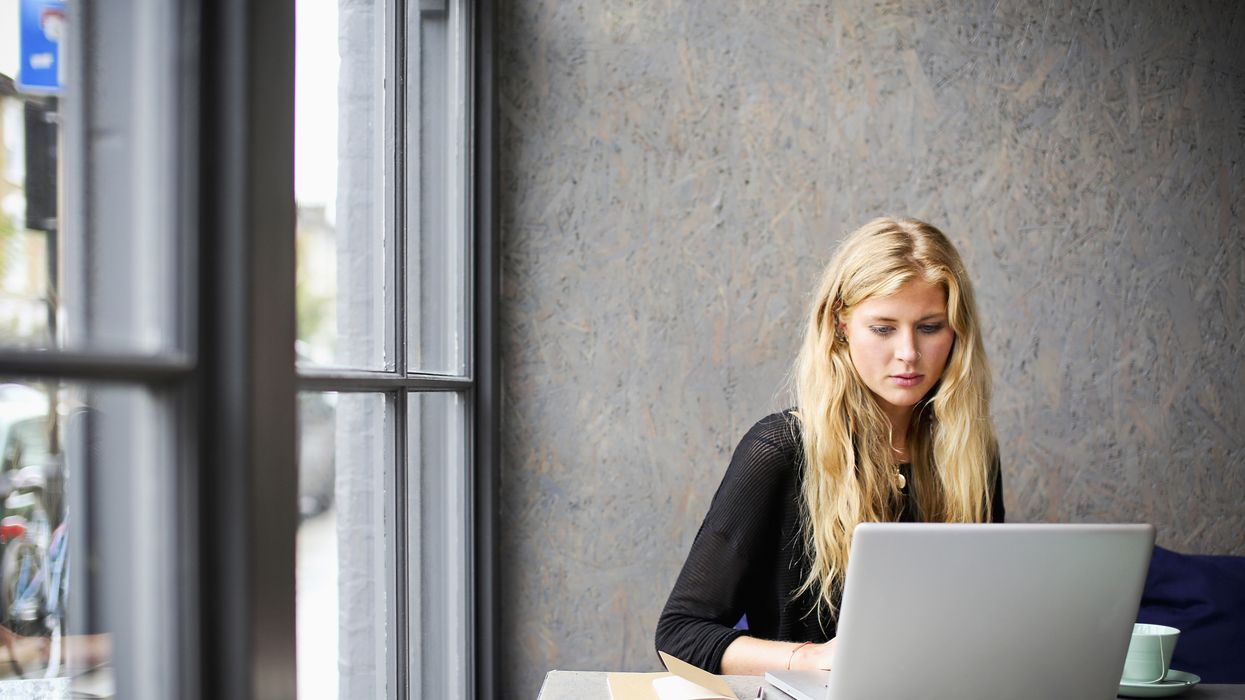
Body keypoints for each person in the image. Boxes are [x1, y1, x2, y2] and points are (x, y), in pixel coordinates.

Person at [654, 217, 1004, 675]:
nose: (908, 354)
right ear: (840, 325)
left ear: (957, 331)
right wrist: (812, 658)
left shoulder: (971, 454)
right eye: (883, 328)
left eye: (930, 327)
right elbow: (680, 635)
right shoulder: (780, 450)